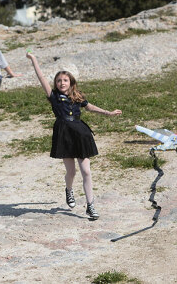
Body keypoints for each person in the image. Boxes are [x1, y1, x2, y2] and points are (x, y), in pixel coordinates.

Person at [26, 51, 122, 220]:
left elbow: (90, 107)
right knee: (71, 172)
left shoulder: (77, 97)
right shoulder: (54, 96)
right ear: (55, 84)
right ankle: (69, 190)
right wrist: (34, 59)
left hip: (80, 134)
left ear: (71, 82)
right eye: (59, 80)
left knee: (86, 171)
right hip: (64, 135)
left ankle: (90, 205)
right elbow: (41, 77)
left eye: (65, 80)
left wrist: (108, 113)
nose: (62, 83)